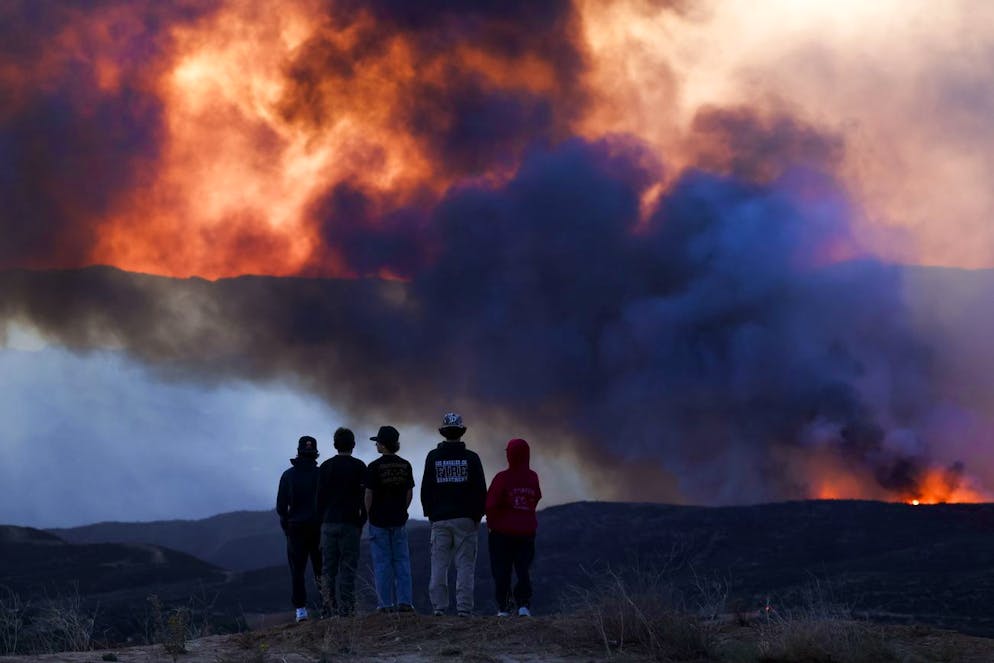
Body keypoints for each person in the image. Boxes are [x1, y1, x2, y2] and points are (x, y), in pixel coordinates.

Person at [420, 412, 487, 616]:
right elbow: (480, 490)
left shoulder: (433, 457)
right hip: (466, 519)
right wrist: (477, 516)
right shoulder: (472, 458)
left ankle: (439, 608)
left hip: (440, 519)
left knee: (439, 564)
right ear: (461, 432)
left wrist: (431, 514)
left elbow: (426, 489)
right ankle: (464, 609)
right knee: (465, 565)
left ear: (443, 433)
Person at [486, 438, 542, 617]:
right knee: (523, 569)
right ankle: (523, 605)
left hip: (502, 534)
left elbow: (490, 504)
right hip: (526, 533)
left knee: (502, 570)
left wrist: (492, 523)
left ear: (510, 455)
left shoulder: (502, 478)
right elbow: (536, 497)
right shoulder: (533, 477)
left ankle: (504, 607)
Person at [314, 427, 366, 617]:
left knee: (328, 568)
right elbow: (365, 498)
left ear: (335, 445)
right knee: (348, 567)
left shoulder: (326, 467)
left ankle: (328, 608)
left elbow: (319, 500)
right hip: (351, 523)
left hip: (329, 524)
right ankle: (347, 609)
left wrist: (321, 524)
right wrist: (361, 522)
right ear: (353, 445)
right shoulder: (360, 467)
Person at [364, 425, 416, 613]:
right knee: (402, 561)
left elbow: (368, 495)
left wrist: (369, 515)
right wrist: (402, 510)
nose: (376, 444)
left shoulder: (374, 467)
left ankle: (385, 604)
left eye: (377, 441)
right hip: (399, 520)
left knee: (382, 563)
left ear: (383, 445)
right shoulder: (406, 465)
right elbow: (409, 493)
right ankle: (405, 602)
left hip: (379, 521)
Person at [276, 435, 322, 623]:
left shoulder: (288, 475)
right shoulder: (321, 474)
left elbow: (281, 506)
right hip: (318, 528)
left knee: (297, 570)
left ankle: (301, 611)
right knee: (321, 568)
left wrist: (287, 524)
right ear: (315, 453)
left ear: (299, 451)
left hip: (296, 528)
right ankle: (327, 605)